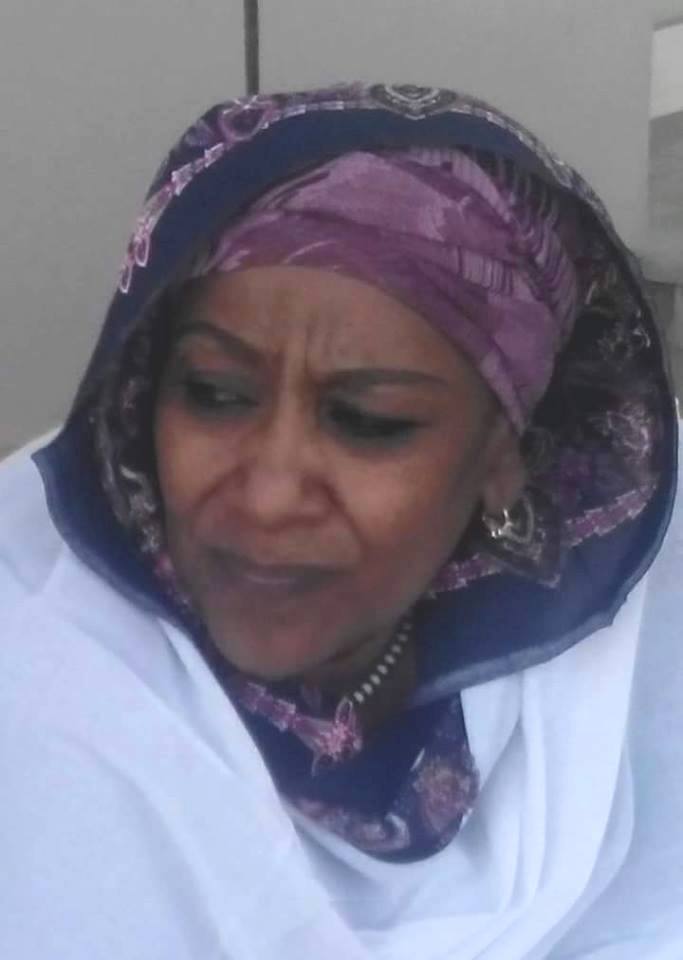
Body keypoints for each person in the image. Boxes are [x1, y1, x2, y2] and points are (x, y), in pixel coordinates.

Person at [1, 83, 681, 959]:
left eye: (369, 422)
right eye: (214, 394)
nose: (269, 494)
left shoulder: (618, 660)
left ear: (505, 455)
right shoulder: (40, 694)